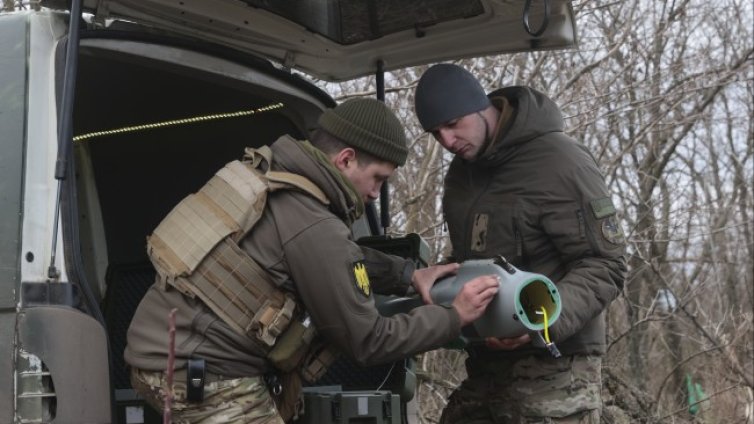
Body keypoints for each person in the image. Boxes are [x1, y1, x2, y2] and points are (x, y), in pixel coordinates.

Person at [124, 97, 500, 423]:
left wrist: (407, 275)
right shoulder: (316, 225)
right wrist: (453, 317)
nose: (374, 193)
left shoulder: (275, 177)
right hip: (202, 375)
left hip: (158, 356)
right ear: (346, 159)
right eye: (378, 179)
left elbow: (332, 258)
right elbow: (369, 341)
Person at [413, 64, 627, 423]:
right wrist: (444, 285)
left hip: (557, 366)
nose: (447, 142)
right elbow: (472, 257)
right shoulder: (460, 173)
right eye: (436, 134)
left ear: (480, 105)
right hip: (486, 361)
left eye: (452, 125)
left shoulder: (561, 161)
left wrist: (538, 324)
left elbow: (606, 264)